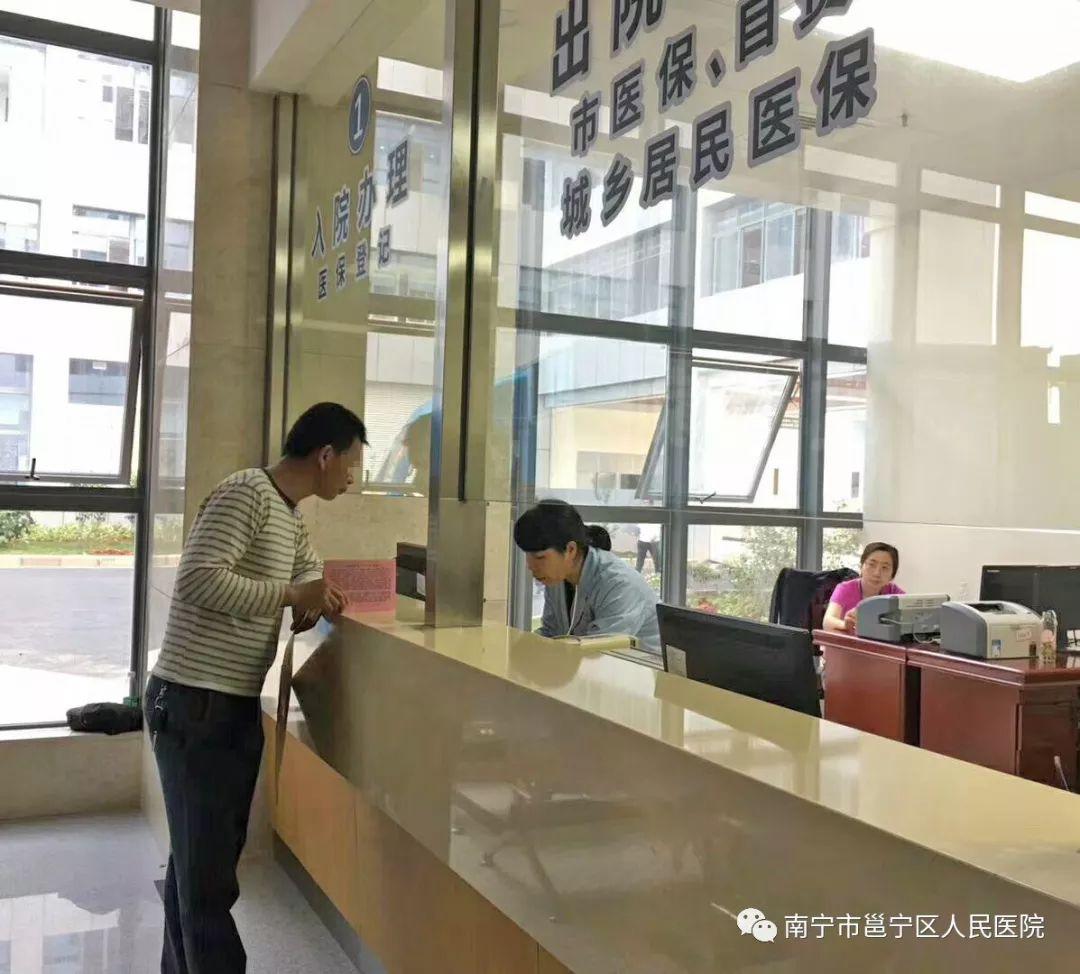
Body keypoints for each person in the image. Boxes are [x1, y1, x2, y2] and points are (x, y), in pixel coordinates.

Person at [144, 402, 368, 974]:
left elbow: (307, 571)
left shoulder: (287, 512)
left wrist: (314, 593)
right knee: (207, 881)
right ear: (325, 455)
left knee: (199, 870)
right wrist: (291, 595)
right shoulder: (247, 492)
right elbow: (198, 579)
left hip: (224, 702)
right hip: (194, 700)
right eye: (351, 462)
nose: (352, 476)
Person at [515, 500, 660, 653]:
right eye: (527, 555)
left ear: (570, 550)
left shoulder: (619, 584)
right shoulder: (558, 577)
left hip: (642, 665)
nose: (530, 566)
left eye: (540, 557)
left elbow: (601, 651)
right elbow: (551, 633)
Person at [823, 542, 904, 634]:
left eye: (885, 567)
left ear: (892, 574)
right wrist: (846, 625)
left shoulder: (895, 593)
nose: (877, 573)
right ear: (861, 566)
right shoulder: (845, 588)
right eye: (872, 565)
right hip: (848, 640)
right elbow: (827, 622)